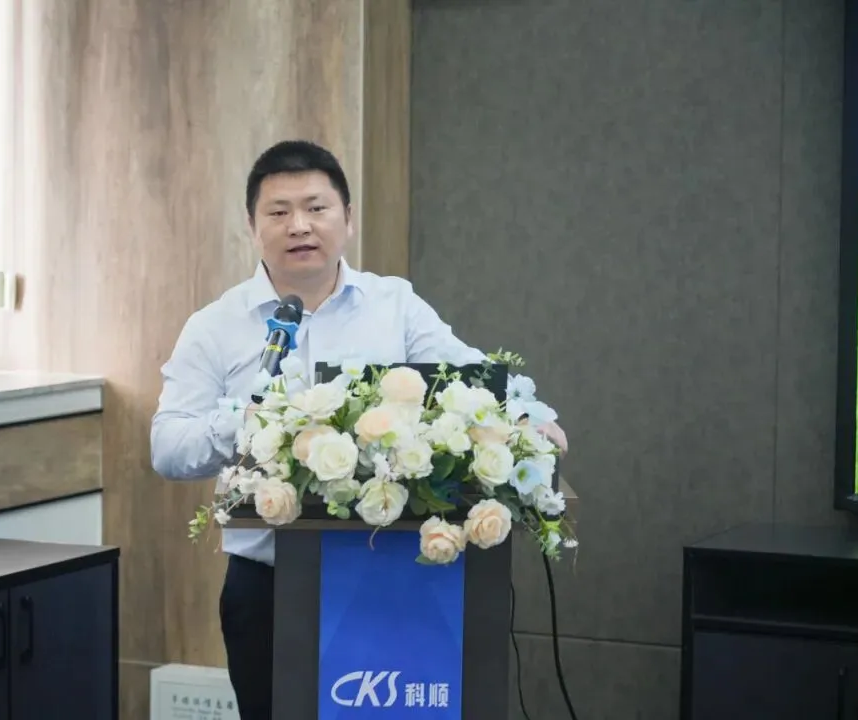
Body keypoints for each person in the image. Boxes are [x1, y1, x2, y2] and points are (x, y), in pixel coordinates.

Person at [150, 139, 566, 719]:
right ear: (252, 226)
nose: (299, 225)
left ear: (347, 218)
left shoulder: (394, 305)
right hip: (269, 589)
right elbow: (168, 447)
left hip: (391, 579)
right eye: (279, 211)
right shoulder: (215, 326)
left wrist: (527, 418)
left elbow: (470, 376)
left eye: (316, 208)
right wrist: (247, 421)